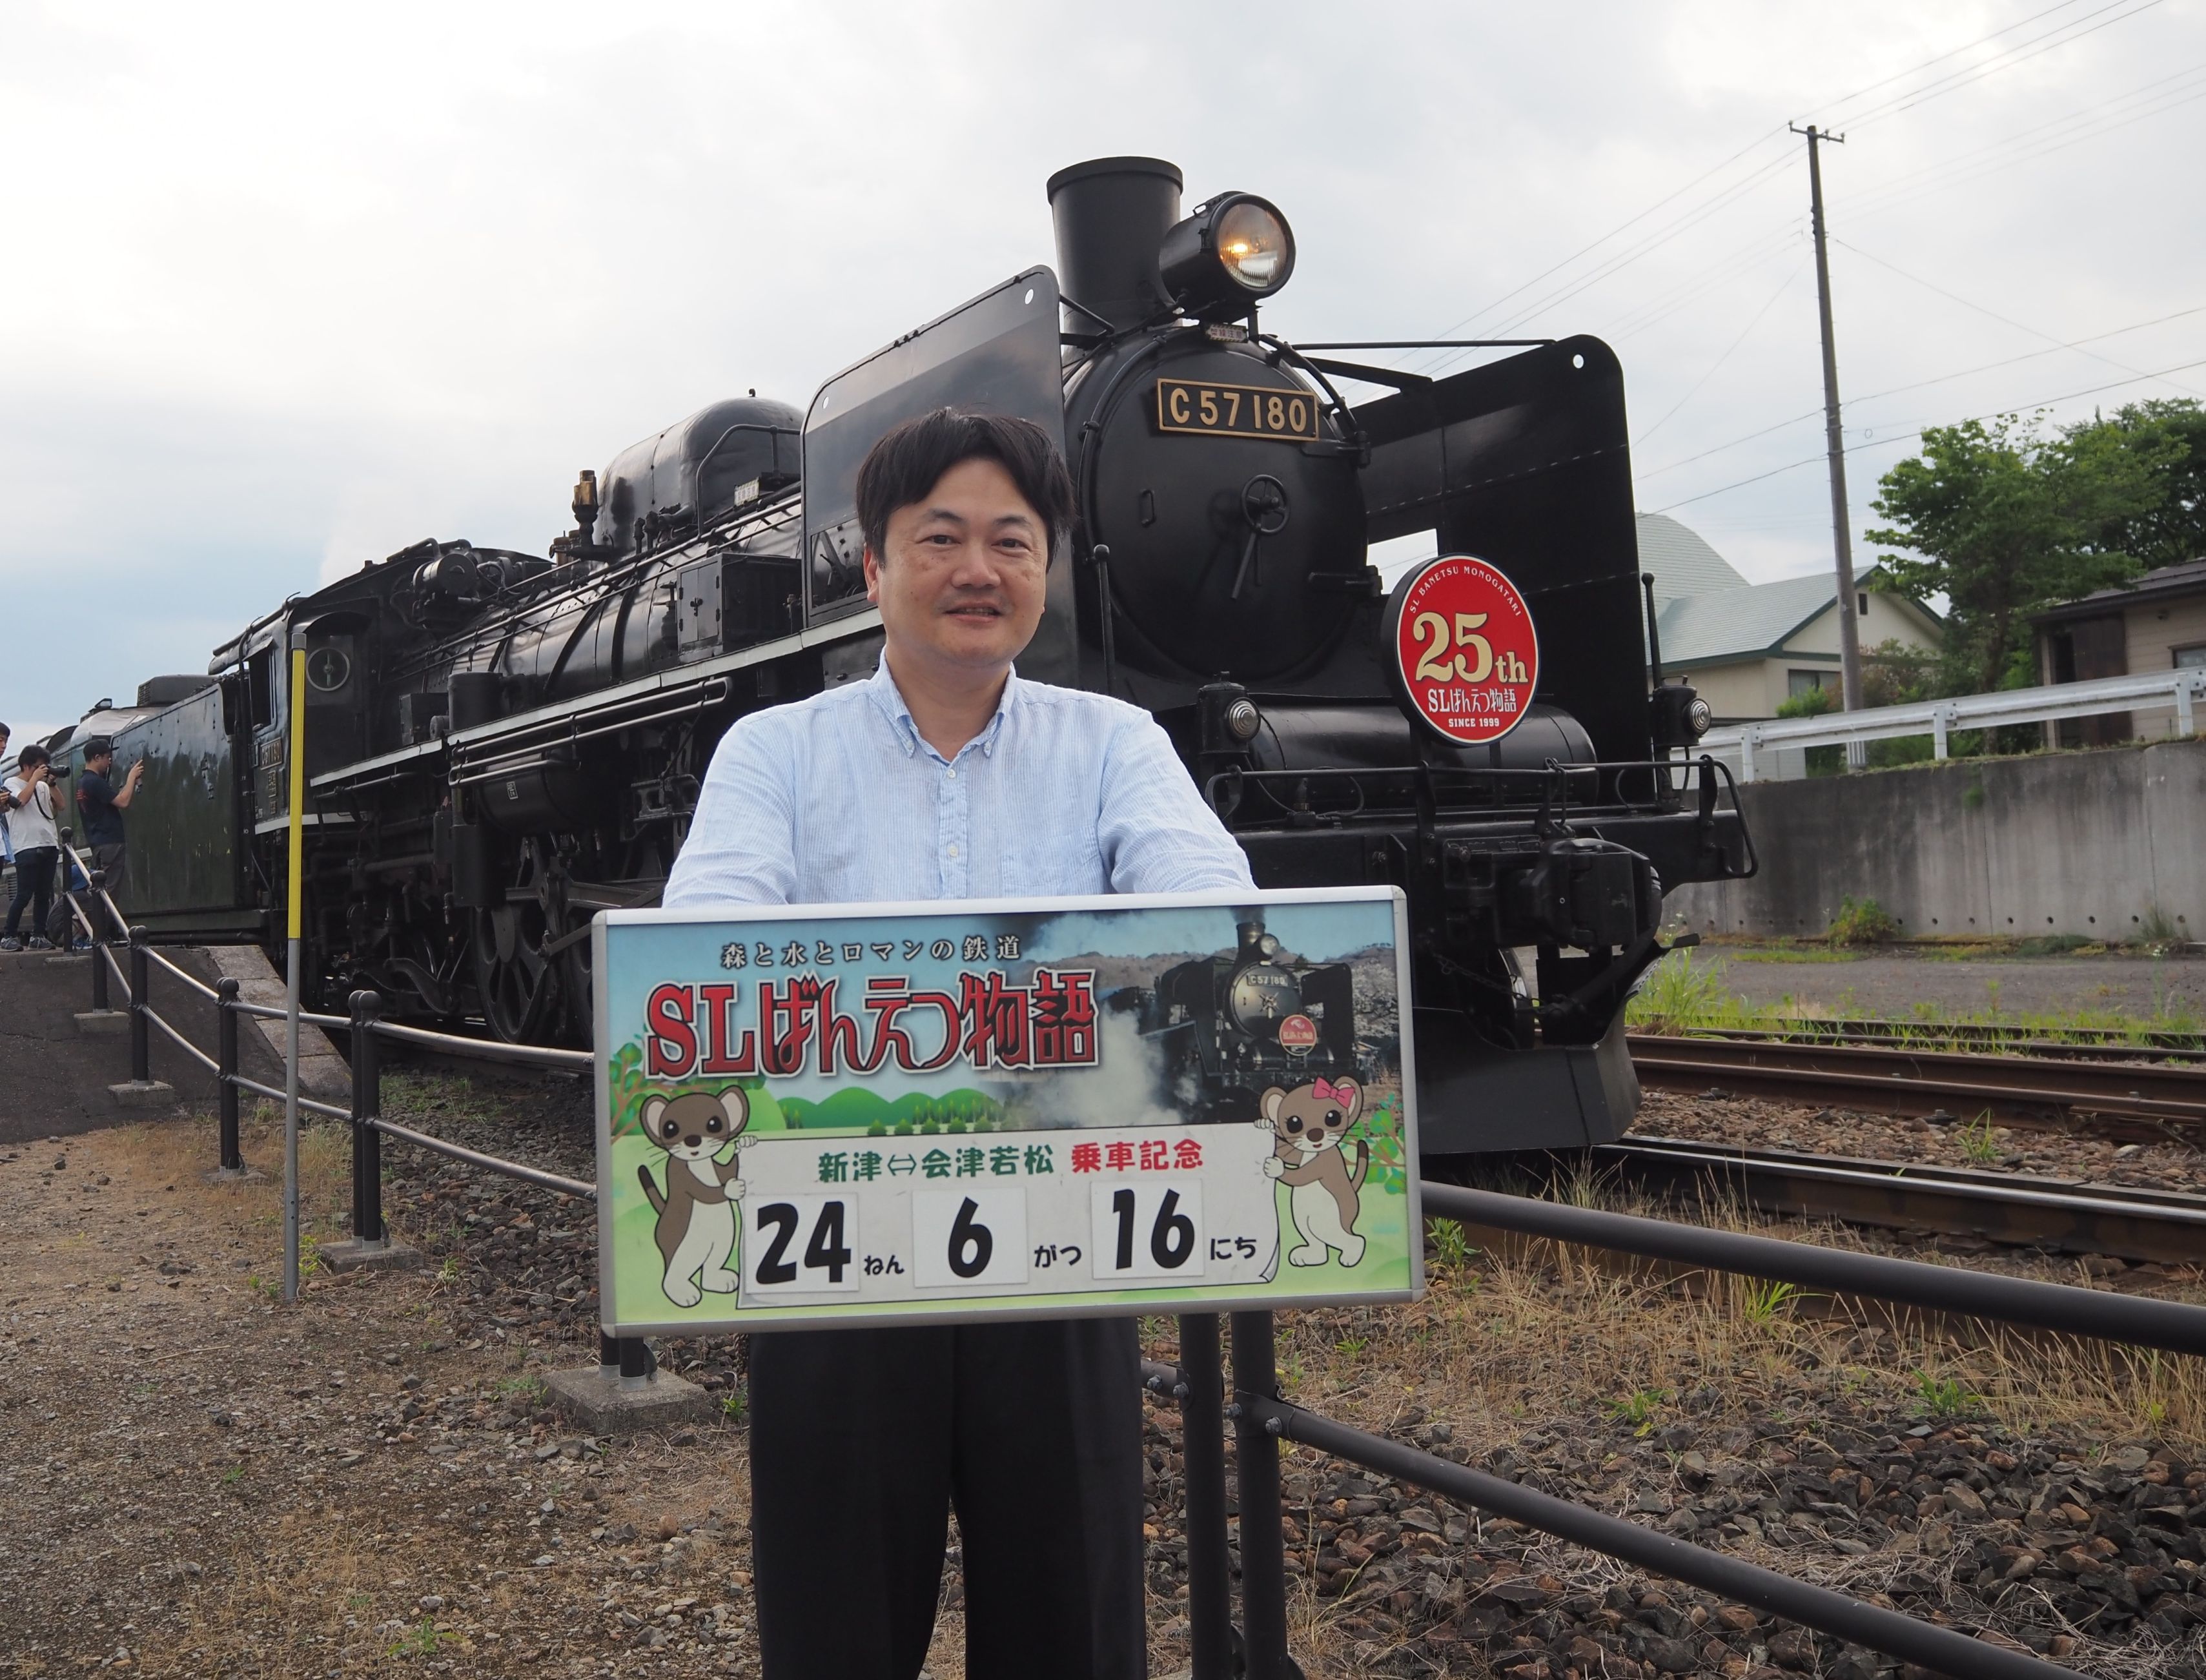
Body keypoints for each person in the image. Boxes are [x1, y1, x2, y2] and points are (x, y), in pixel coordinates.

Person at [664, 409, 1254, 1680]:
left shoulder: (1113, 746)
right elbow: (710, 942)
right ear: (872, 569)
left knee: (1075, 1612)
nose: (977, 569)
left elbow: (1205, 899)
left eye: (1011, 539)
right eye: (940, 538)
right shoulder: (773, 752)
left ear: (1045, 568)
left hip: (1061, 1250)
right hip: (832, 1260)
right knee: (833, 1619)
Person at [72, 736, 143, 942]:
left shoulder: (82, 782)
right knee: (109, 891)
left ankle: (93, 934)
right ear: (96, 758)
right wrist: (131, 778)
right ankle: (97, 937)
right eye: (107, 758)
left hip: (97, 843)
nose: (110, 762)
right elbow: (122, 801)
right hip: (111, 842)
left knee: (100, 890)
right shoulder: (95, 782)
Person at [3, 745, 61, 952]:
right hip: (26, 846)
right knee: (24, 894)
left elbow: (60, 807)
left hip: (49, 843)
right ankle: (9, 935)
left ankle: (39, 935)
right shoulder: (11, 783)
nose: (42, 770)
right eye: (38, 767)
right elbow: (20, 802)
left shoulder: (43, 786)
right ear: (26, 766)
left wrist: (52, 785)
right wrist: (35, 779)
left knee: (43, 894)